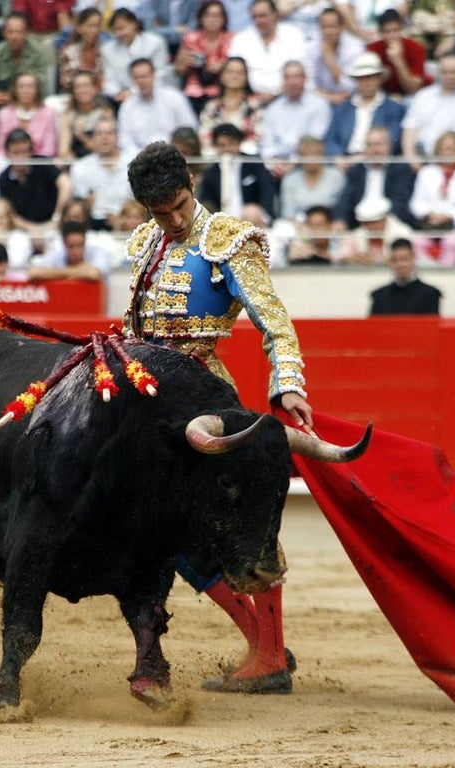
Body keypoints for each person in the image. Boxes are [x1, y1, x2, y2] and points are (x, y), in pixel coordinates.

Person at [122, 140, 308, 694]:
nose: (175, 220)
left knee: (243, 524)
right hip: (152, 403)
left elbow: (273, 320)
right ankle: (263, 644)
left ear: (192, 184)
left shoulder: (228, 240)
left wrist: (289, 384)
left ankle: (270, 652)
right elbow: (135, 327)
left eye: (180, 204)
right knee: (169, 536)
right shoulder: (142, 243)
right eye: (161, 213)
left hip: (208, 401)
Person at [410, 130, 455, 267]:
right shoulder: (427, 172)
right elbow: (416, 203)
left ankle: (446, 275)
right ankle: (428, 273)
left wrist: (449, 216)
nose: (447, 153)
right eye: (443, 149)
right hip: (431, 226)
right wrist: (430, 213)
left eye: (451, 149)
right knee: (417, 241)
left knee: (451, 241)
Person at [323, 51, 406, 165]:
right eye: (361, 78)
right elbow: (330, 139)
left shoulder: (393, 109)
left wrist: (362, 157)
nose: (366, 82)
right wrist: (338, 157)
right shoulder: (343, 108)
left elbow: (392, 141)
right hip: (344, 161)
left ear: (379, 79)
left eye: (370, 78)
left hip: (378, 162)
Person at [400, 51, 455, 166]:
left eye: (454, 72)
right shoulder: (423, 96)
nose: (449, 76)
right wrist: (411, 159)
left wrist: (450, 160)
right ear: (438, 72)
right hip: (424, 159)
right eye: (444, 72)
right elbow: (409, 129)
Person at [332, 126, 417, 231]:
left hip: (391, 223)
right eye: (369, 145)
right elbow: (345, 200)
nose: (374, 150)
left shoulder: (400, 169)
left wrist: (379, 221)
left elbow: (400, 202)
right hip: (360, 223)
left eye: (378, 144)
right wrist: (340, 219)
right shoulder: (357, 171)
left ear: (389, 146)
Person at [261, 61, 332, 177]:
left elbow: (314, 142)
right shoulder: (273, 108)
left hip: (304, 165)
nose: (292, 82)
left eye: (296, 77)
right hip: (275, 167)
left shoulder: (319, 105)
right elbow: (267, 144)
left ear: (305, 79)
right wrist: (273, 164)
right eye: (287, 77)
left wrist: (292, 164)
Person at [227, 0, 306, 103]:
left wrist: (275, 94)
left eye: (263, 16)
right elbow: (231, 72)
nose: (259, 21)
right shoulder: (241, 39)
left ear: (275, 14)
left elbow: (300, 71)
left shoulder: (293, 35)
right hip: (248, 100)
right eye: (255, 17)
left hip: (288, 98)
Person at [118, 57, 198, 155]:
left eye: (144, 76)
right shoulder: (127, 106)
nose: (141, 81)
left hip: (175, 156)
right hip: (141, 160)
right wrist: (141, 158)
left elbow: (189, 127)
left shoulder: (174, 97)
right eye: (136, 77)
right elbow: (125, 141)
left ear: (153, 75)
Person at [0, 127, 70, 234]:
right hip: (22, 231)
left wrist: (57, 217)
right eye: (16, 153)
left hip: (53, 225)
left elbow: (66, 185)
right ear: (8, 153)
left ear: (31, 151)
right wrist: (32, 229)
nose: (20, 158)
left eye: (24, 152)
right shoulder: (3, 179)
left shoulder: (42, 164)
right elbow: (10, 214)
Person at [198, 122, 275, 220]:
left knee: (250, 213)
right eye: (222, 145)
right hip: (222, 222)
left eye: (231, 144)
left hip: (252, 219)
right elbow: (206, 201)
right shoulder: (210, 173)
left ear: (239, 143)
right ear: (215, 146)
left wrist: (265, 215)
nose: (227, 149)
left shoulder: (254, 163)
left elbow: (267, 191)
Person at [69, 116, 134, 231]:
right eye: (99, 133)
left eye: (109, 133)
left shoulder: (133, 166)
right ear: (92, 138)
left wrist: (121, 219)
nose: (104, 138)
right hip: (91, 228)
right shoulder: (80, 167)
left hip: (127, 227)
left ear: (118, 137)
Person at [100, 8, 171, 108]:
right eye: (115, 30)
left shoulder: (155, 43)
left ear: (135, 24)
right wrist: (117, 93)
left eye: (121, 28)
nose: (118, 34)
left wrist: (133, 92)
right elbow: (109, 80)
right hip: (120, 100)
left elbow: (160, 75)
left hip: (153, 95)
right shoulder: (107, 49)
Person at [0, 12, 50, 110]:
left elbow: (42, 87)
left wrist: (15, 96)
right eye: (10, 32)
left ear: (26, 33)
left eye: (18, 32)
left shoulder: (38, 53)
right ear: (4, 33)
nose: (14, 37)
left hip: (28, 103)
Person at [173, 0, 232, 113]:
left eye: (217, 15)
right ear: (201, 17)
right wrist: (185, 63)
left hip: (221, 90)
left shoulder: (231, 39)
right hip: (194, 90)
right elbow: (178, 70)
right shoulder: (190, 38)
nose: (212, 20)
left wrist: (223, 66)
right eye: (208, 15)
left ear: (224, 18)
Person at [197, 57, 263, 158]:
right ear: (222, 76)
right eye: (230, 72)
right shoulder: (211, 107)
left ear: (246, 77)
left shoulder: (254, 106)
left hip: (245, 158)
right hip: (215, 157)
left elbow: (257, 136)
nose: (234, 76)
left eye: (239, 73)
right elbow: (204, 135)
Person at [277, 135, 345, 229]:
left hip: (329, 224)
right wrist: (300, 226)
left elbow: (342, 207)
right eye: (305, 154)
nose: (310, 158)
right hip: (300, 225)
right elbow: (288, 213)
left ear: (322, 155)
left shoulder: (336, 176)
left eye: (314, 154)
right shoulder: (290, 179)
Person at [303, 7, 365, 108]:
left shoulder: (355, 47)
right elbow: (307, 85)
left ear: (342, 27)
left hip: (349, 102)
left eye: (332, 27)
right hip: (318, 100)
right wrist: (329, 97)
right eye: (324, 27)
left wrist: (330, 61)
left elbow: (352, 87)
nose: (327, 32)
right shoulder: (310, 47)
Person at [368, 238, 442, 316]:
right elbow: (373, 326)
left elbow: (432, 325)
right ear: (389, 262)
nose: (400, 265)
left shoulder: (430, 294)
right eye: (394, 260)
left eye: (404, 259)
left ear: (413, 258)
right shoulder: (380, 295)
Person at [365, 9, 429, 99]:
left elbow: (413, 89)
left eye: (396, 31)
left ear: (401, 29)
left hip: (410, 96)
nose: (392, 36)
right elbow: (367, 84)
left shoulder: (416, 48)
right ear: (381, 33)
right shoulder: (373, 49)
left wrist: (399, 61)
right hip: (383, 95)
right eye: (387, 32)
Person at [335, 196, 415, 265]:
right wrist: (350, 259)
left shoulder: (403, 233)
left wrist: (377, 262)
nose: (369, 227)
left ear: (384, 219)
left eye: (373, 222)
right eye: (365, 223)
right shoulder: (358, 233)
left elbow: (407, 260)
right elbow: (340, 256)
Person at [0, 71, 58, 158]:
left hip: (39, 165)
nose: (25, 90)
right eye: (21, 86)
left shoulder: (48, 114)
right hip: (10, 164)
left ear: (37, 90)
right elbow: (0, 150)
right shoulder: (3, 114)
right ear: (15, 90)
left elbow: (49, 150)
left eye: (30, 86)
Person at [57, 69, 114, 162]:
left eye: (86, 86)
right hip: (77, 163)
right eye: (77, 87)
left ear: (94, 88)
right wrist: (67, 156)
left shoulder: (105, 113)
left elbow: (105, 149)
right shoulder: (68, 116)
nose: (82, 90)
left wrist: (82, 136)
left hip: (100, 162)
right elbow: (63, 150)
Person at [28, 220, 112, 282]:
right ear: (64, 244)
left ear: (85, 242)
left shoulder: (99, 253)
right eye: (71, 246)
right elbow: (33, 273)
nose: (75, 251)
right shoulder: (58, 254)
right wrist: (80, 269)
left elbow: (93, 274)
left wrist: (55, 274)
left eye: (79, 245)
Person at [57, 8, 105, 96]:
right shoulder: (69, 51)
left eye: (97, 26)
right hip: (74, 97)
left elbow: (106, 81)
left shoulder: (105, 49)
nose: (95, 31)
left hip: (100, 96)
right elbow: (66, 83)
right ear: (79, 28)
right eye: (91, 26)